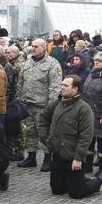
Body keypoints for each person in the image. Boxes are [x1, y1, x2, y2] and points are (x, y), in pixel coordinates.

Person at [40, 75, 102, 199]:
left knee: (76, 193)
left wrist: (78, 158)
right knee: (57, 190)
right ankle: (76, 180)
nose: (62, 87)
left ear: (75, 89)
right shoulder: (57, 104)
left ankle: (98, 180)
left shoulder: (84, 109)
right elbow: (43, 117)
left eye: (66, 85)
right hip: (58, 155)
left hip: (73, 157)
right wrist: (46, 139)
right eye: (62, 85)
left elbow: (86, 136)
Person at [17, 38, 63, 172]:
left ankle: (48, 159)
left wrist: (51, 106)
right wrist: (20, 99)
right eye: (32, 46)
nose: (33, 48)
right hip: (28, 104)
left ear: (44, 48)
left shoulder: (52, 64)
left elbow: (55, 87)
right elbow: (21, 81)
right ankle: (31, 157)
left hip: (43, 105)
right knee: (30, 131)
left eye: (36, 46)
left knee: (45, 133)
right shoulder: (28, 62)